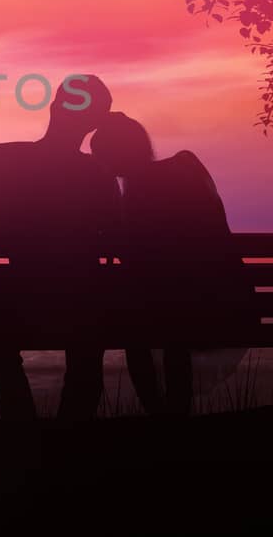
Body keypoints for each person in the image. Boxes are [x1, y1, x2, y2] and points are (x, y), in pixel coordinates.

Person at [0, 74, 119, 422]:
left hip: (19, 303)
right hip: (82, 307)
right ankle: (70, 434)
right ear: (95, 123)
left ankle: (22, 427)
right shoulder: (99, 173)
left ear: (53, 107)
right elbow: (115, 243)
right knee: (89, 335)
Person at [89, 112, 252, 415]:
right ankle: (175, 414)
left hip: (190, 309)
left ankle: (160, 414)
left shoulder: (137, 197)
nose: (103, 167)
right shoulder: (186, 169)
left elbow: (142, 263)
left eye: (103, 158)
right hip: (228, 303)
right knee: (166, 322)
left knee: (140, 332)